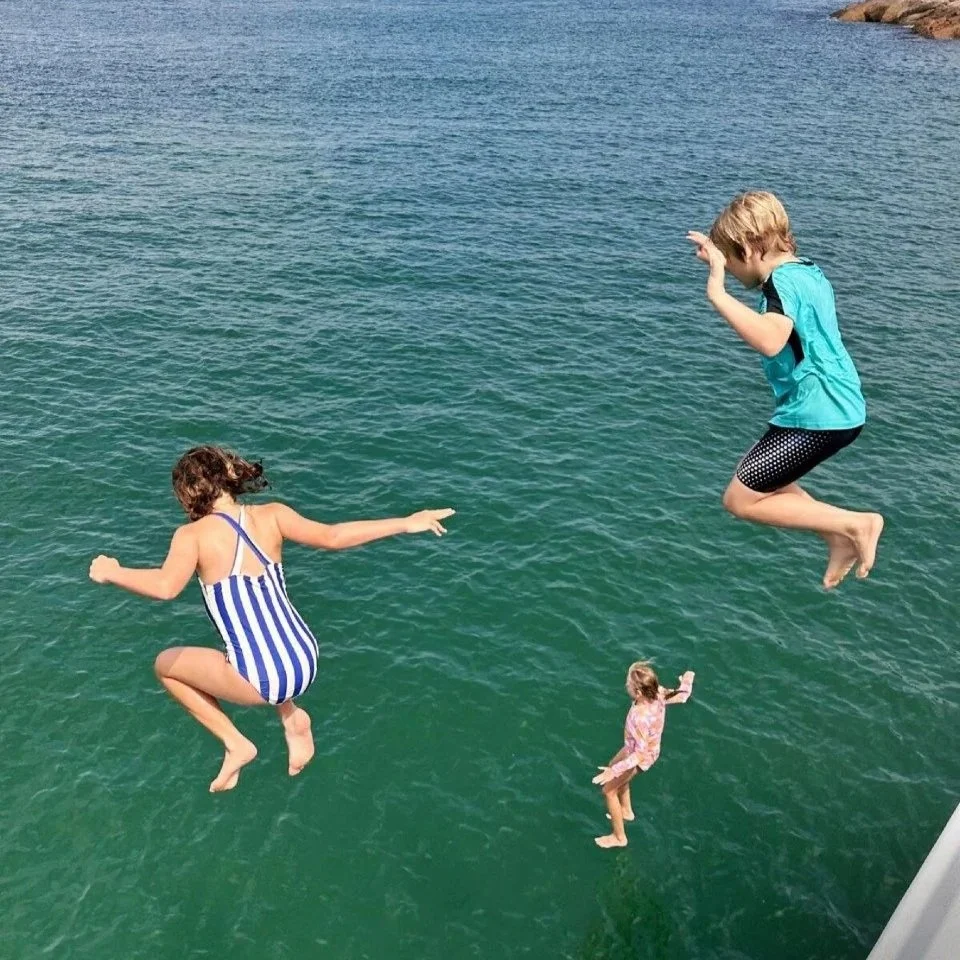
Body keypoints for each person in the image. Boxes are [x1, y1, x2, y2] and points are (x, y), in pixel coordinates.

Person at [89, 445, 455, 793]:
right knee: (254, 639)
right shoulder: (273, 515)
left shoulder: (192, 536)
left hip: (262, 678)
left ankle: (236, 745)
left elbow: (167, 587)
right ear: (229, 476)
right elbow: (333, 536)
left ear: (188, 492)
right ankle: (292, 718)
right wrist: (407, 522)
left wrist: (113, 572)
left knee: (166, 665)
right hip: (306, 656)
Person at [687, 191, 883, 588]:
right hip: (835, 407)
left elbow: (772, 339)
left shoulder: (781, 284)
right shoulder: (807, 271)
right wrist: (721, 258)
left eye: (733, 261)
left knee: (739, 500)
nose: (736, 274)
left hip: (818, 416)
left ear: (747, 248)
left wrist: (717, 293)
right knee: (769, 482)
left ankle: (856, 524)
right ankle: (835, 535)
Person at [592, 662, 695, 848]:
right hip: (636, 748)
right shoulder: (659, 694)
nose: (626, 685)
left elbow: (639, 755)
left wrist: (614, 772)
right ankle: (626, 811)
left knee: (608, 790)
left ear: (638, 692)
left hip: (640, 755)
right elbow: (682, 697)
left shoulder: (639, 717)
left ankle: (619, 837)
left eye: (628, 683)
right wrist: (688, 678)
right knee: (612, 764)